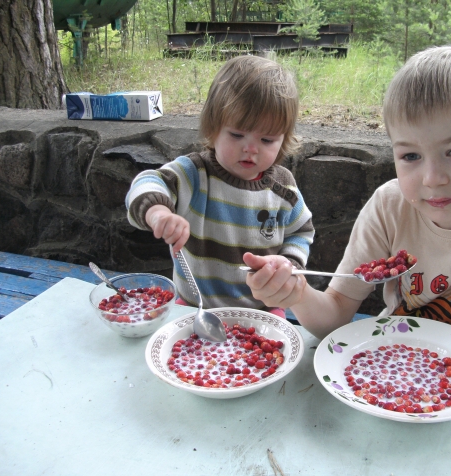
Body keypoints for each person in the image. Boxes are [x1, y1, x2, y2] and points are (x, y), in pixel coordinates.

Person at [243, 45, 451, 380]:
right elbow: (334, 316)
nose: (433, 179)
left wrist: (428, 337)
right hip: (397, 375)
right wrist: (296, 293)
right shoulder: (390, 206)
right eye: (410, 156)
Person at [126, 55, 314, 317]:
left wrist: (288, 264)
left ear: (283, 141)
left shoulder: (283, 189)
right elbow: (148, 181)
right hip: (194, 307)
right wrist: (159, 212)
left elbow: (301, 232)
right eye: (237, 134)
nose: (250, 148)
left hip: (263, 310)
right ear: (213, 130)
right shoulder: (194, 174)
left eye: (268, 139)